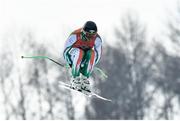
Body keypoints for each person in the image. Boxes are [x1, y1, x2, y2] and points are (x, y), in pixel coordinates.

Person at [63, 21, 102, 94]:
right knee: (79, 52)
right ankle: (75, 78)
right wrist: (71, 63)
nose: (90, 37)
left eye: (92, 35)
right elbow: (65, 51)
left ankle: (84, 79)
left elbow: (97, 55)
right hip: (73, 55)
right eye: (88, 35)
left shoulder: (97, 39)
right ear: (83, 32)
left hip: (84, 58)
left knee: (92, 53)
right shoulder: (75, 35)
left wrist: (87, 66)